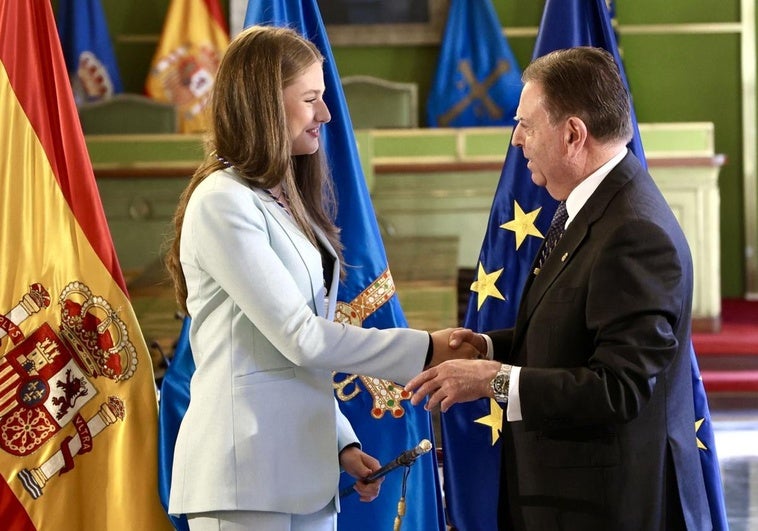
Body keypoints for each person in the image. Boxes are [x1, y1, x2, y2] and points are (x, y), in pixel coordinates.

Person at [163, 25, 476, 531]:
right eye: (310, 99)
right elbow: (301, 339)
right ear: (265, 103)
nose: (325, 115)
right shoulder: (222, 201)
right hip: (243, 478)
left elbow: (294, 363)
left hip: (304, 474)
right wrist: (425, 350)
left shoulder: (280, 198)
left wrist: (342, 441)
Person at [406, 47, 712, 531]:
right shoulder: (591, 204)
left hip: (609, 508)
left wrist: (493, 380)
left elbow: (619, 389)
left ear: (573, 134)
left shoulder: (634, 231)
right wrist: (486, 346)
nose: (516, 140)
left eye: (526, 124)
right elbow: (571, 332)